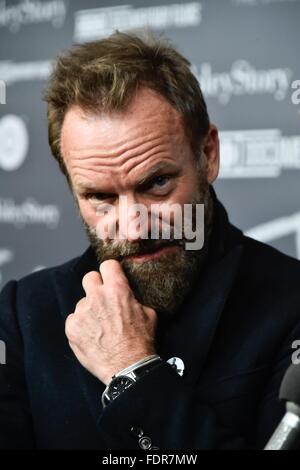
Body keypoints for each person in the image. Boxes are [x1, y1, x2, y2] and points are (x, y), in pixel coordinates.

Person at [0, 31, 300, 450]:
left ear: (208, 155)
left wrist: (134, 372)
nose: (135, 227)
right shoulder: (23, 314)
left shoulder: (291, 303)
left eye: (157, 183)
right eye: (101, 197)